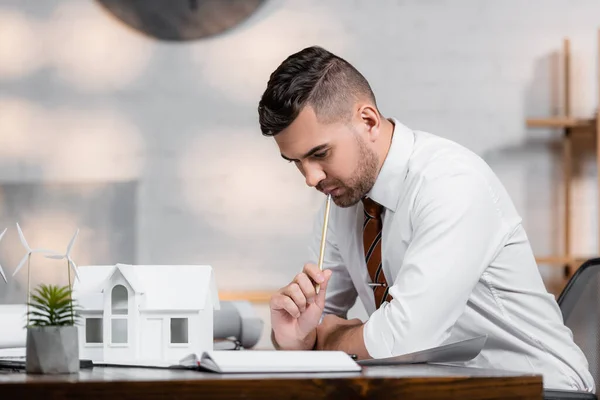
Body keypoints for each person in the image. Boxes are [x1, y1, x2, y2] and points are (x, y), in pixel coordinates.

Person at [257, 45, 594, 392]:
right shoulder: (342, 200)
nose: (310, 178)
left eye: (320, 154)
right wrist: (293, 339)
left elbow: (404, 339)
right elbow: (316, 323)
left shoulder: (451, 183)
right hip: (439, 389)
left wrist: (329, 340)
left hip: (540, 390)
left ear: (368, 121)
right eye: (296, 161)